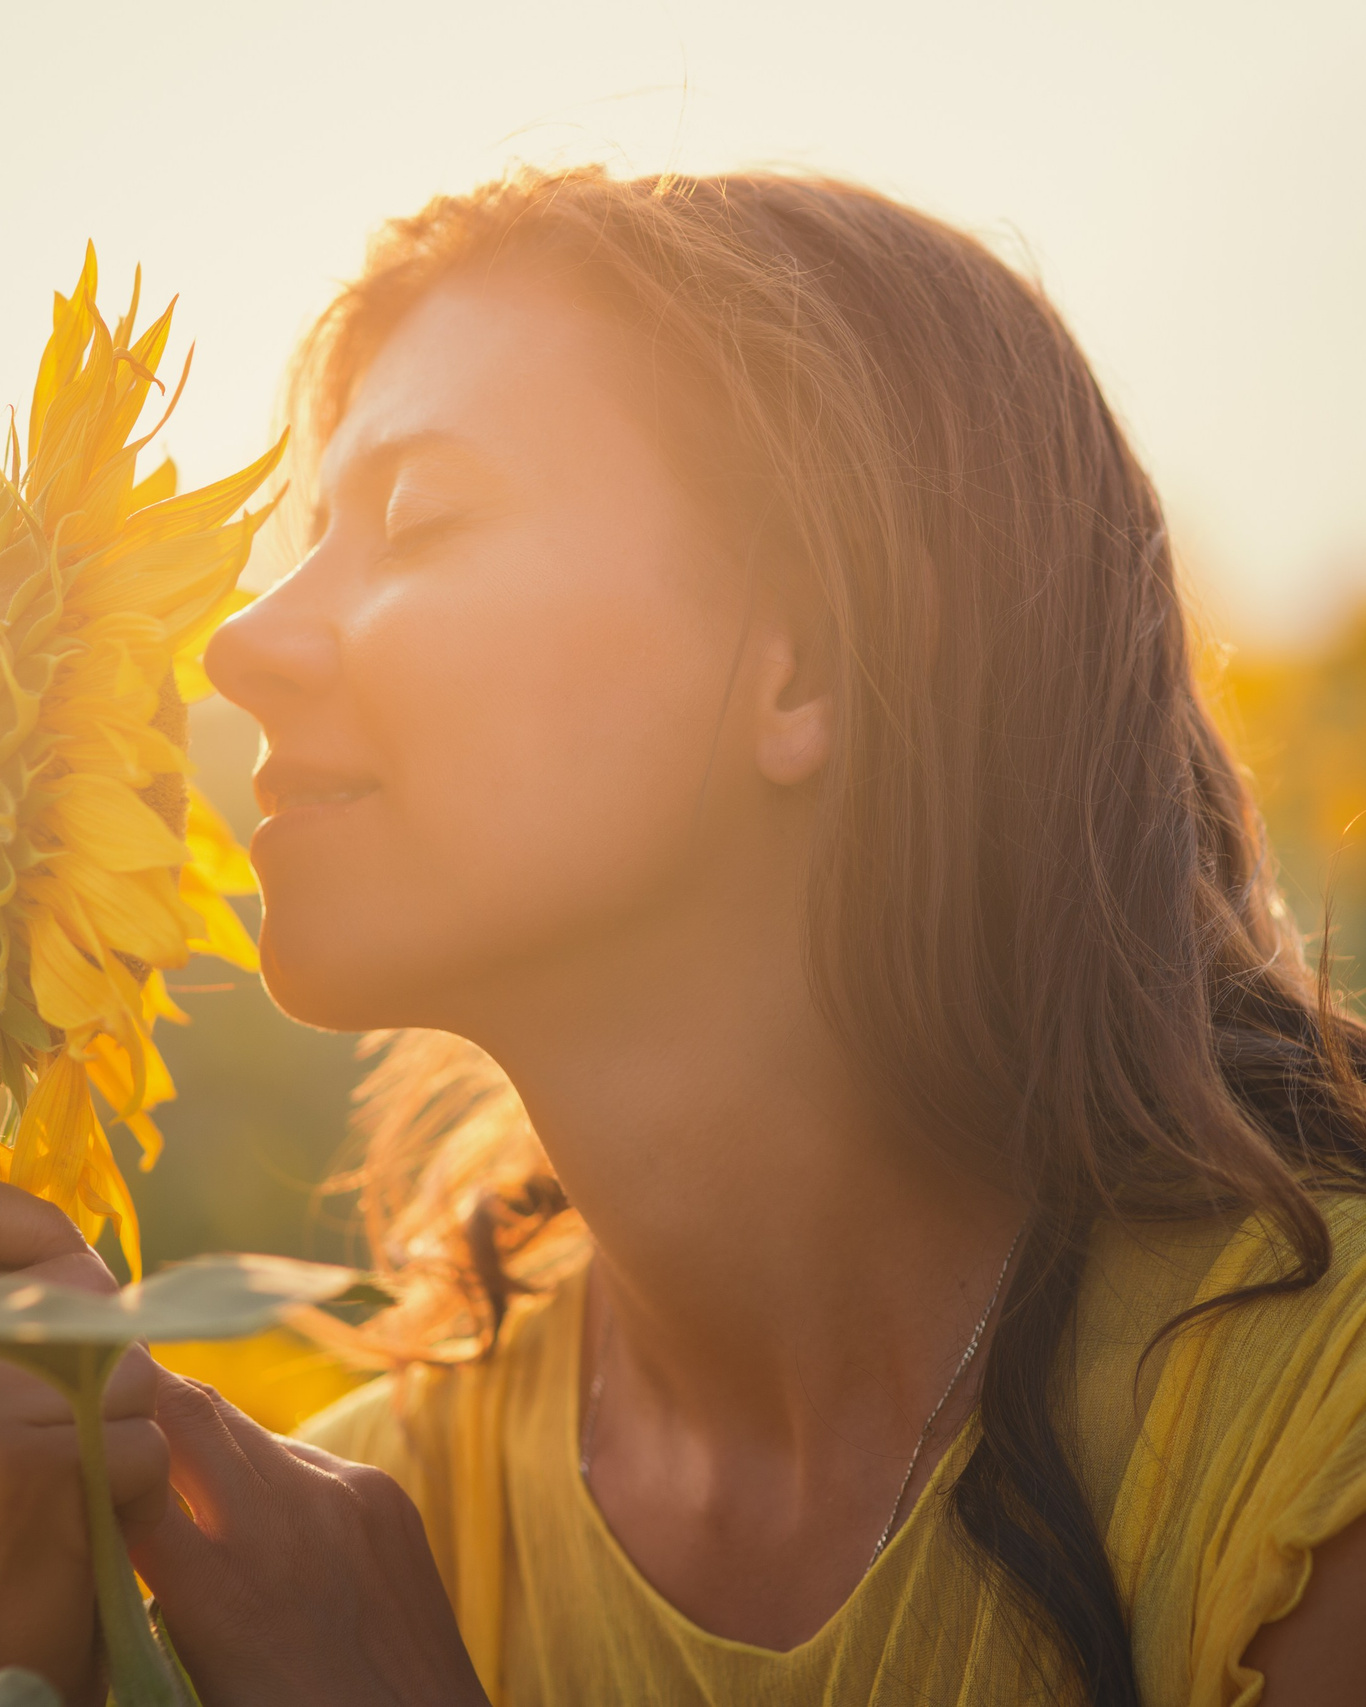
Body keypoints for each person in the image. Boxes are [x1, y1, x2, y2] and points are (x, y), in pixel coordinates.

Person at [3, 168, 1366, 1707]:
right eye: (314, 536)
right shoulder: (352, 1515)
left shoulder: (1306, 1441)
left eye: (419, 516)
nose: (243, 643)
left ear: (800, 667)